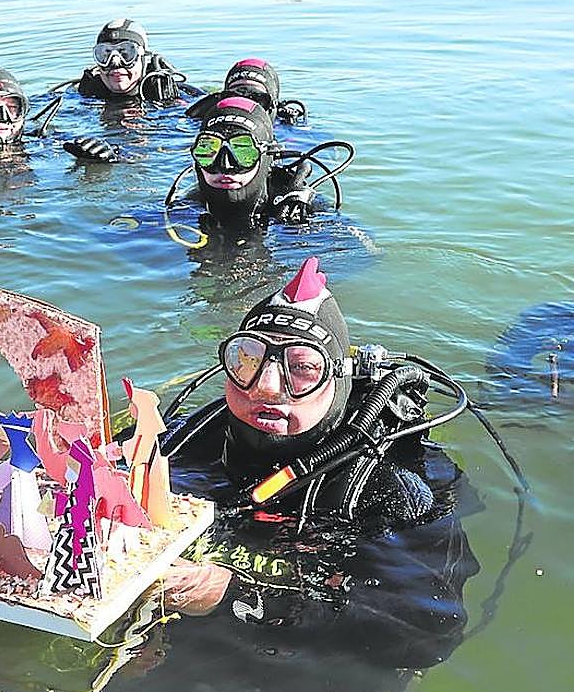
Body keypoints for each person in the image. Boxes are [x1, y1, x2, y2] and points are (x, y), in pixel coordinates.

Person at [151, 256, 479, 668]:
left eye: (302, 368)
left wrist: (234, 597)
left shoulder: (394, 486)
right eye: (247, 359)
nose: (266, 386)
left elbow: (431, 630)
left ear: (337, 378)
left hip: (309, 670)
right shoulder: (189, 439)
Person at [178, 96, 331, 230]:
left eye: (244, 152)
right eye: (208, 151)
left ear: (266, 156)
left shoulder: (299, 208)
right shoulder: (186, 207)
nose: (225, 166)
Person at [75, 19, 191, 105]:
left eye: (126, 53)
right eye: (105, 54)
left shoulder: (172, 95)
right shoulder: (84, 94)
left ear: (143, 57)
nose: (115, 63)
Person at [186, 57, 307, 124]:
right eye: (235, 97)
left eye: (257, 99)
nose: (243, 105)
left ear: (272, 105)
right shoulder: (202, 120)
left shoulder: (286, 128)